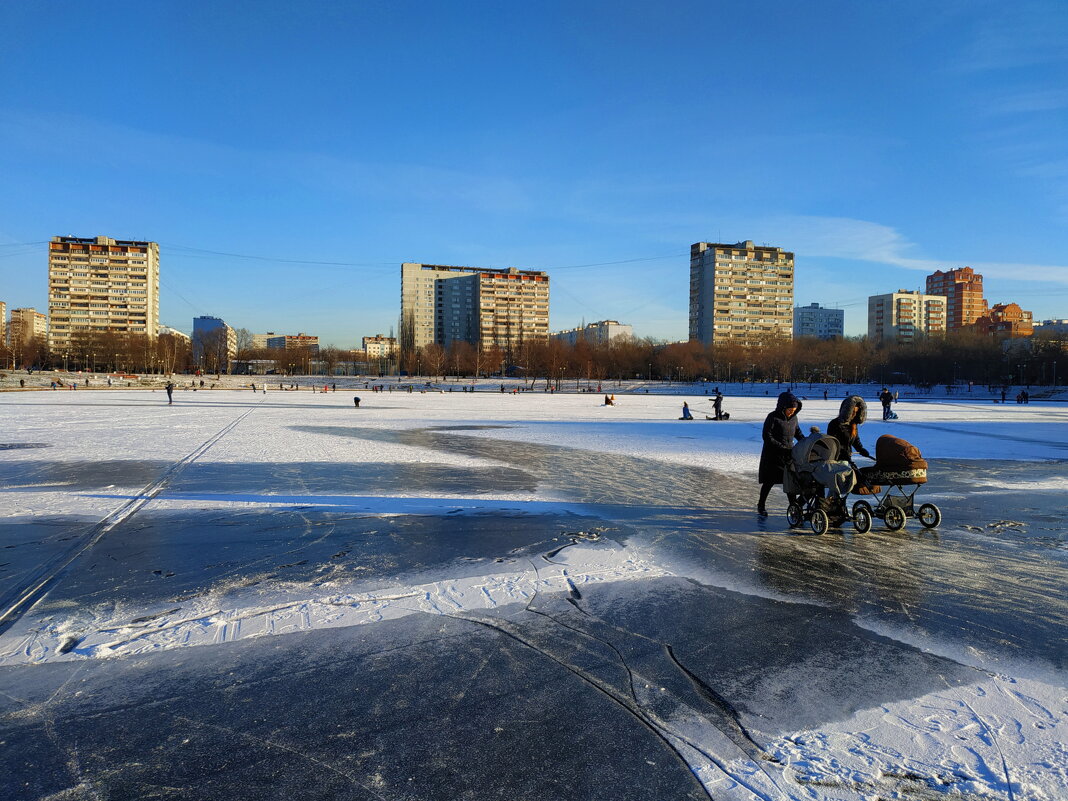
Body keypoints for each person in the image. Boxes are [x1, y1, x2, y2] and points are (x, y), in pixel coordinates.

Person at [757, 391, 804, 516]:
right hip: (773, 455)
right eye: (790, 409)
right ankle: (761, 505)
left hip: (788, 455)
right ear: (783, 407)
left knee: (790, 482)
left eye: (794, 410)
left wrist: (805, 442)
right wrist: (781, 447)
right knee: (769, 482)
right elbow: (767, 436)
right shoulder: (772, 417)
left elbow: (798, 433)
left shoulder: (794, 418)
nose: (792, 412)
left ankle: (793, 508)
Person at [828, 396, 872, 462]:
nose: (855, 414)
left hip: (847, 456)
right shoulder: (834, 424)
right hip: (836, 458)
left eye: (857, 412)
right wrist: (842, 452)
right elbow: (833, 442)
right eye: (853, 411)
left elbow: (855, 440)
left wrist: (861, 449)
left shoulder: (853, 424)